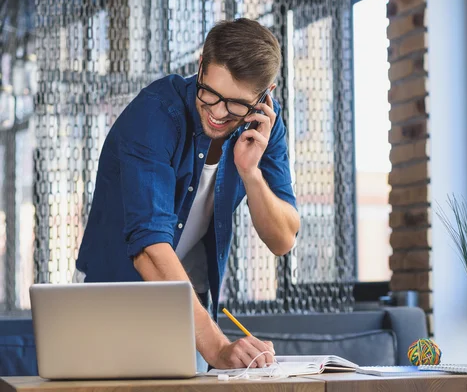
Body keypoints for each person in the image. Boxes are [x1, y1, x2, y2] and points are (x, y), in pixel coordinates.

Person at [75, 18, 300, 371]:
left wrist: (251, 174)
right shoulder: (154, 114)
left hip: (187, 312)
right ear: (200, 66)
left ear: (265, 95)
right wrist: (219, 349)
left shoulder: (266, 126)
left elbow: (284, 239)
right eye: (210, 92)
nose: (218, 113)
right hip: (115, 303)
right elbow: (149, 250)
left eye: (237, 104)